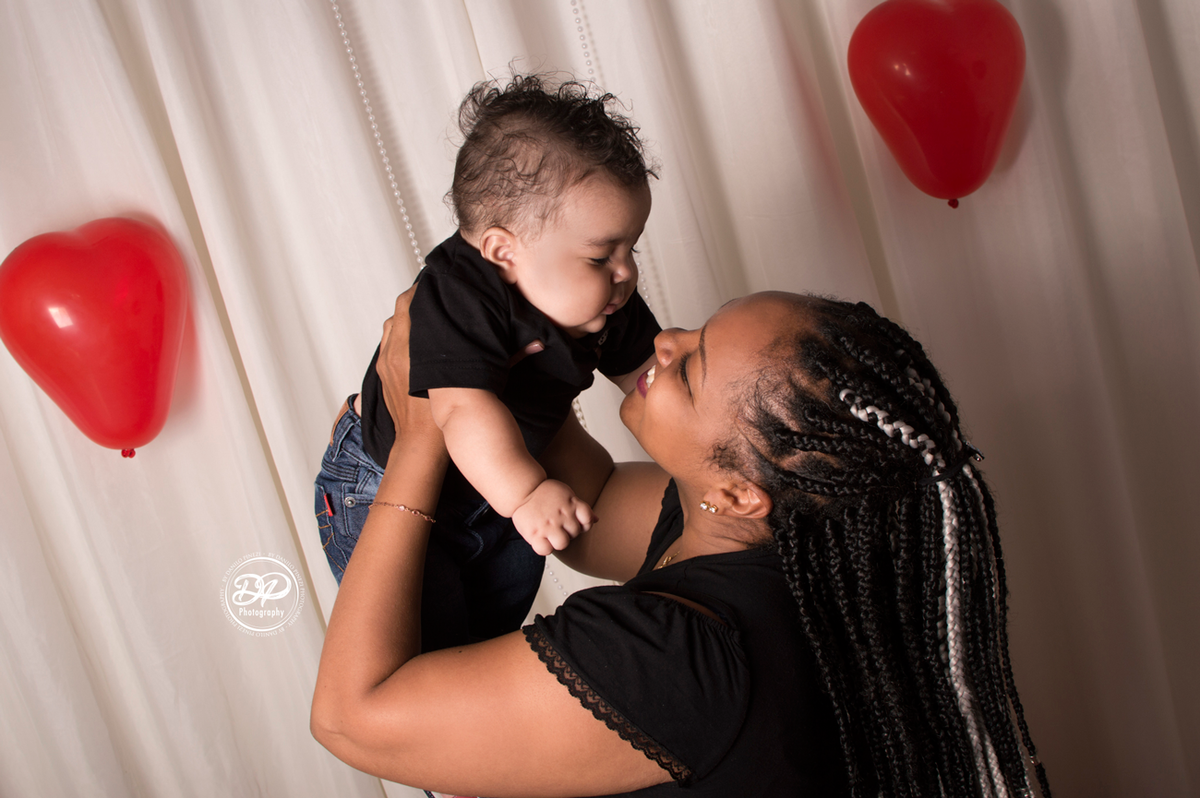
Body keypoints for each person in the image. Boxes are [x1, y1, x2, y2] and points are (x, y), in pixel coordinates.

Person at [311, 288, 1054, 798]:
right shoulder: (777, 548)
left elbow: (352, 716)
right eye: (694, 331)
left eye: (691, 366)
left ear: (738, 493)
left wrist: (417, 440)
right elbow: (593, 501)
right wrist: (531, 354)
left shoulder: (679, 657)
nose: (663, 342)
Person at [314, 74, 659, 650]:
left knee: (487, 637)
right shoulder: (457, 294)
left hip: (494, 489)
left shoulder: (602, 294)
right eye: (602, 254)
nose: (625, 272)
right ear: (504, 251)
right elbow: (463, 411)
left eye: (632, 248)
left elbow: (650, 378)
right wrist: (526, 495)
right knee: (432, 649)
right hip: (386, 485)